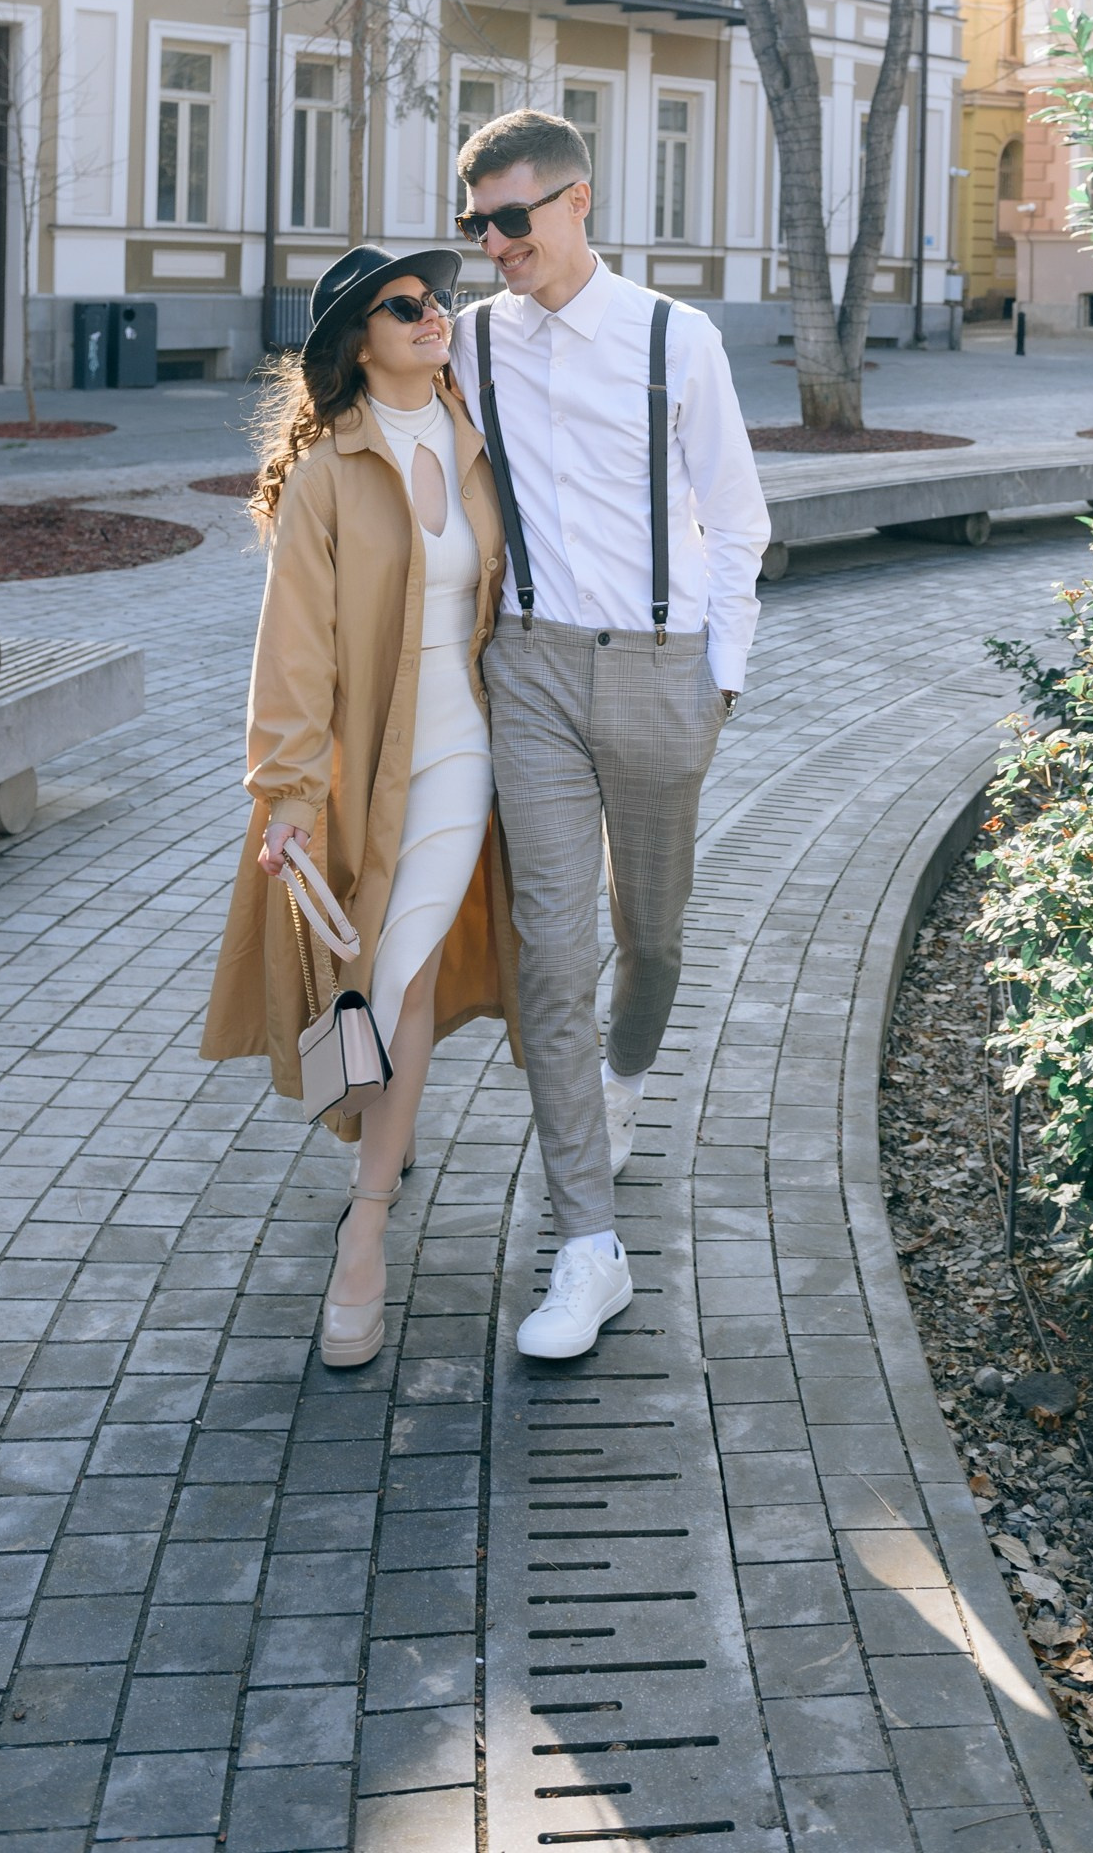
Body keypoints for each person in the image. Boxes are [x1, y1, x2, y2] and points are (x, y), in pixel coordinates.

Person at [449, 107, 771, 1360]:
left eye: (511, 219)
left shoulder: (671, 338)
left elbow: (737, 523)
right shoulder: (469, 342)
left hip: (656, 670)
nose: (492, 246)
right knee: (550, 948)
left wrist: (718, 685)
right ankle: (587, 1245)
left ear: (578, 202)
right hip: (526, 670)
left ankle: (622, 1090)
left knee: (654, 939)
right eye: (474, 225)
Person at [201, 244, 519, 1367]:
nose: (434, 316)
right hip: (367, 766)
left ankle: (366, 1231)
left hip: (467, 754)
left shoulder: (479, 433)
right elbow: (289, 650)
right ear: (355, 344)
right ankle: (384, 1138)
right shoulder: (329, 472)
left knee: (404, 973)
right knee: (376, 981)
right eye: (405, 306)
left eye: (438, 301)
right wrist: (286, 792)